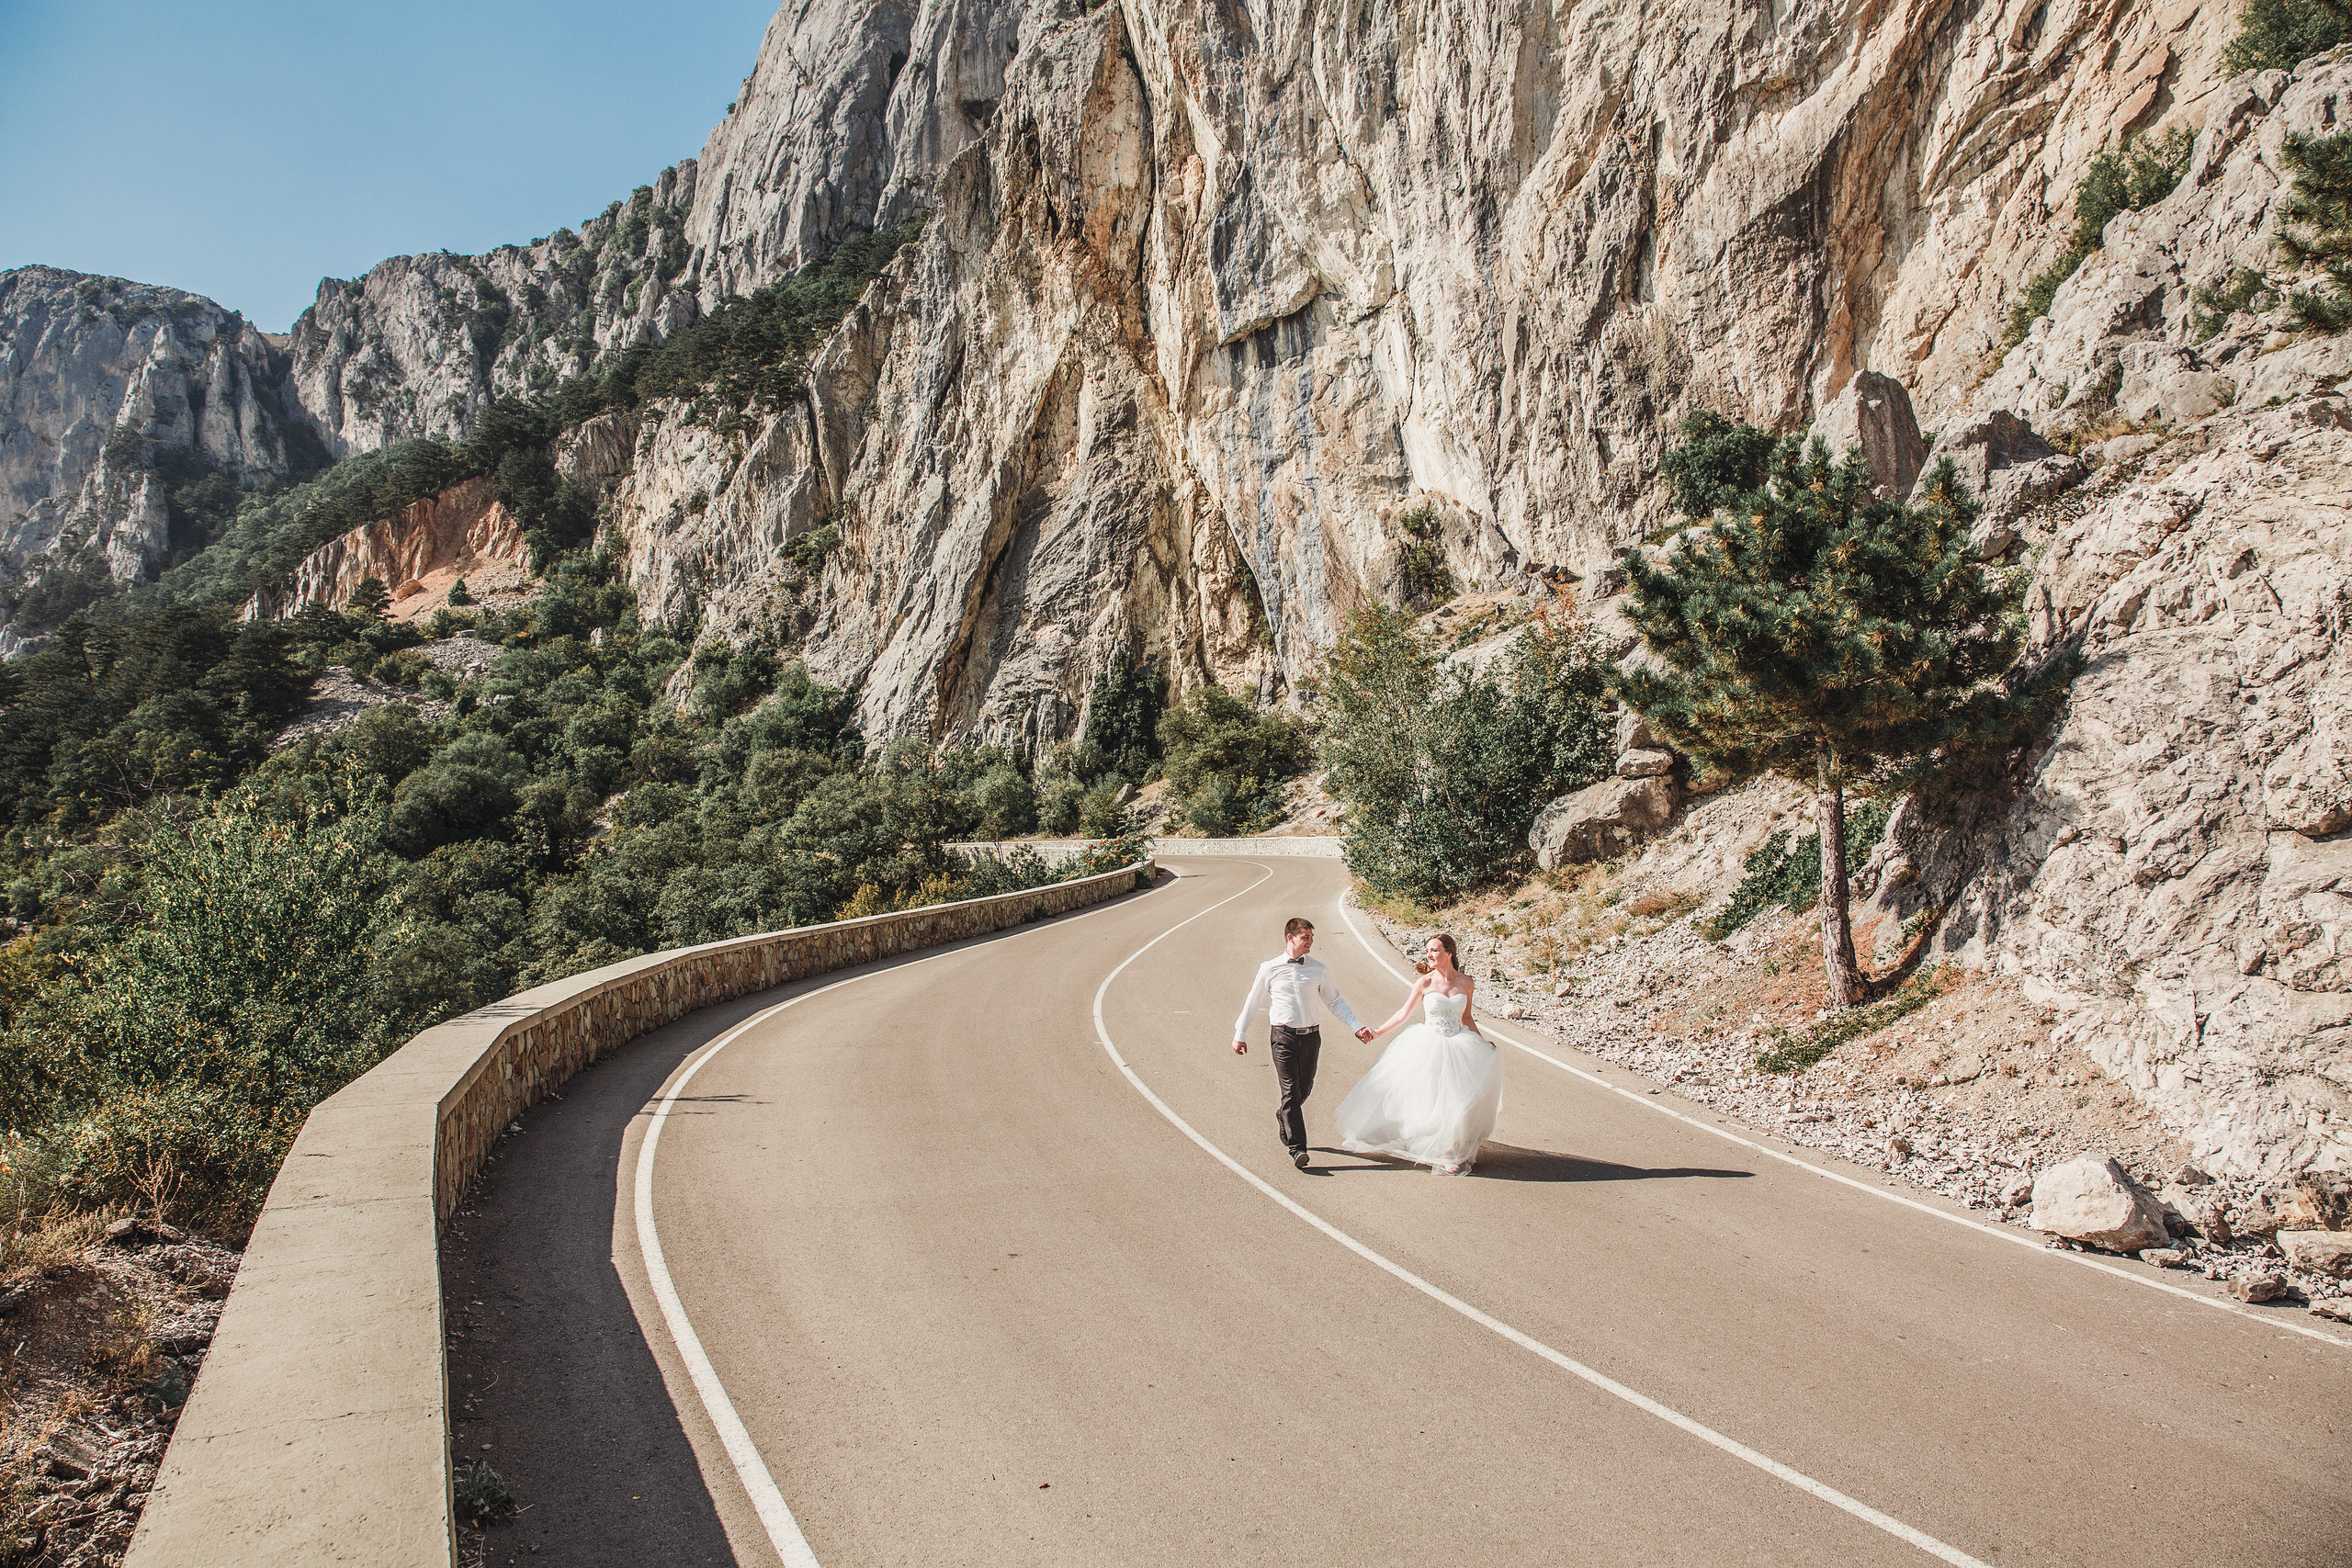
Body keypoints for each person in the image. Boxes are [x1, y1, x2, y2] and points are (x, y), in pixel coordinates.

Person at [1331, 933, 1501, 1176]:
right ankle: (1441, 1152)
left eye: (1434, 950)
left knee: (1457, 1099)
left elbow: (1466, 1017)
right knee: (1434, 1099)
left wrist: (1482, 1042)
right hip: (1428, 1044)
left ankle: (1448, 1151)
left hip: (1459, 1046)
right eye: (1428, 951)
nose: (1429, 955)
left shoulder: (1466, 982)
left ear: (1448, 953)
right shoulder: (1424, 983)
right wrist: (1377, 1032)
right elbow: (1404, 1014)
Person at [1233, 918, 1375, 1170]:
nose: (1310, 942)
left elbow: (1335, 1001)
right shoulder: (1270, 968)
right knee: (1289, 1090)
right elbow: (1252, 1001)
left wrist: (1356, 1025)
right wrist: (1240, 1032)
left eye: (1311, 937)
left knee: (1303, 1090)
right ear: (1291, 938)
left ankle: (1284, 1115)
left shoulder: (1319, 969)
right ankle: (1298, 1149)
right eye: (1305, 937)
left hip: (1311, 1037)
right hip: (1283, 1037)